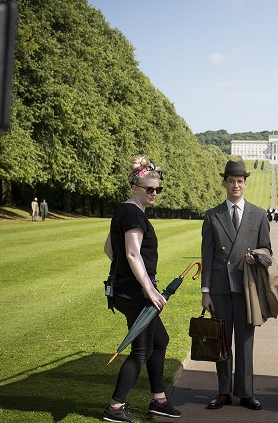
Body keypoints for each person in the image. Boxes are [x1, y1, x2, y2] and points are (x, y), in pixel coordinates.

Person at [102, 156, 179, 422]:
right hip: (136, 295)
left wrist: (126, 272)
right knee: (142, 350)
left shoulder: (124, 210)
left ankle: (158, 399)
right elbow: (133, 255)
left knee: (160, 341)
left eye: (158, 189)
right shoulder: (134, 213)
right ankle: (115, 407)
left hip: (127, 290)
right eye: (150, 189)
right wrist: (150, 290)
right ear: (135, 187)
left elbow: (110, 249)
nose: (155, 193)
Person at [201, 160, 271, 411]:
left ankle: (246, 393)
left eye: (240, 181)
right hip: (219, 288)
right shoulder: (212, 215)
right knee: (222, 342)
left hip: (246, 287)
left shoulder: (259, 214)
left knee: (244, 342)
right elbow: (206, 255)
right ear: (225, 183)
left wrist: (257, 256)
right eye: (231, 181)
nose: (236, 185)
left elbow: (268, 250)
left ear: (245, 183)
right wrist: (205, 291)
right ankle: (223, 392)